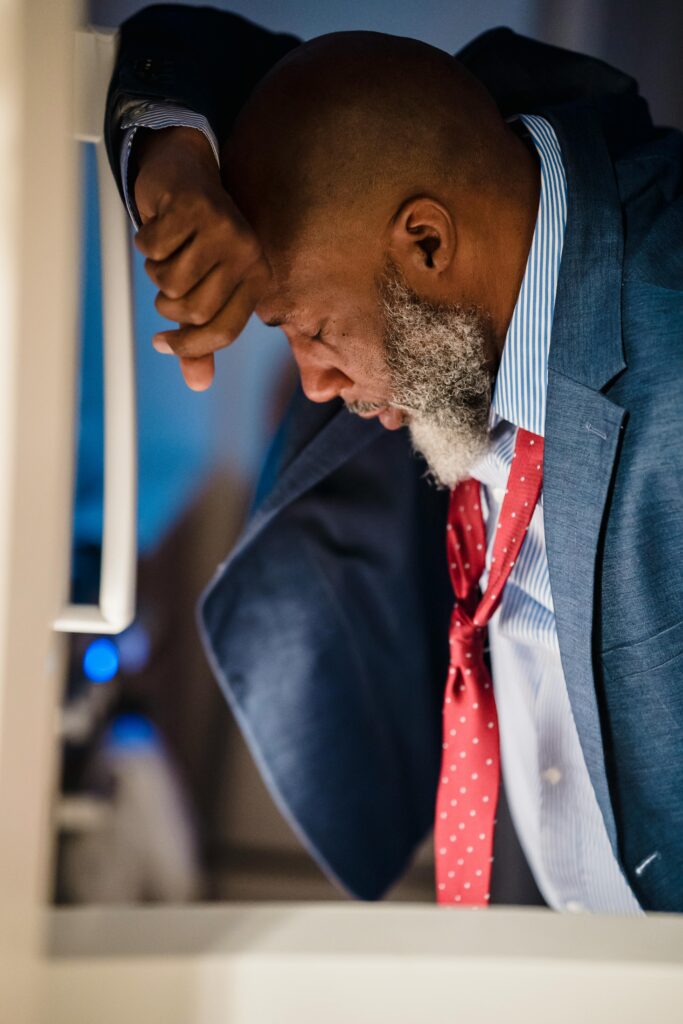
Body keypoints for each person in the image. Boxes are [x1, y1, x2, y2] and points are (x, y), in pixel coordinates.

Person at [105, 5, 683, 913]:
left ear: (425, 242)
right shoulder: (457, 165)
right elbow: (187, 45)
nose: (316, 384)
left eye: (313, 329)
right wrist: (169, 161)